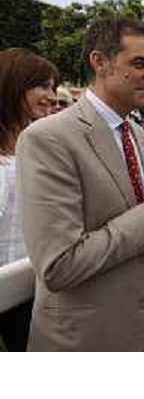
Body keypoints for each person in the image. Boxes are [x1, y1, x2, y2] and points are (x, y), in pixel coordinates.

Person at [16, 18, 144, 352]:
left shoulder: (135, 135)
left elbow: (140, 217)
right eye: (139, 63)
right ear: (99, 62)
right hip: (88, 336)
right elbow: (60, 265)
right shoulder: (47, 139)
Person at [0, 48, 59, 351]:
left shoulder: (36, 149)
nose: (52, 96)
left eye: (54, 87)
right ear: (13, 85)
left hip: (31, 287)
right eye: (42, 86)